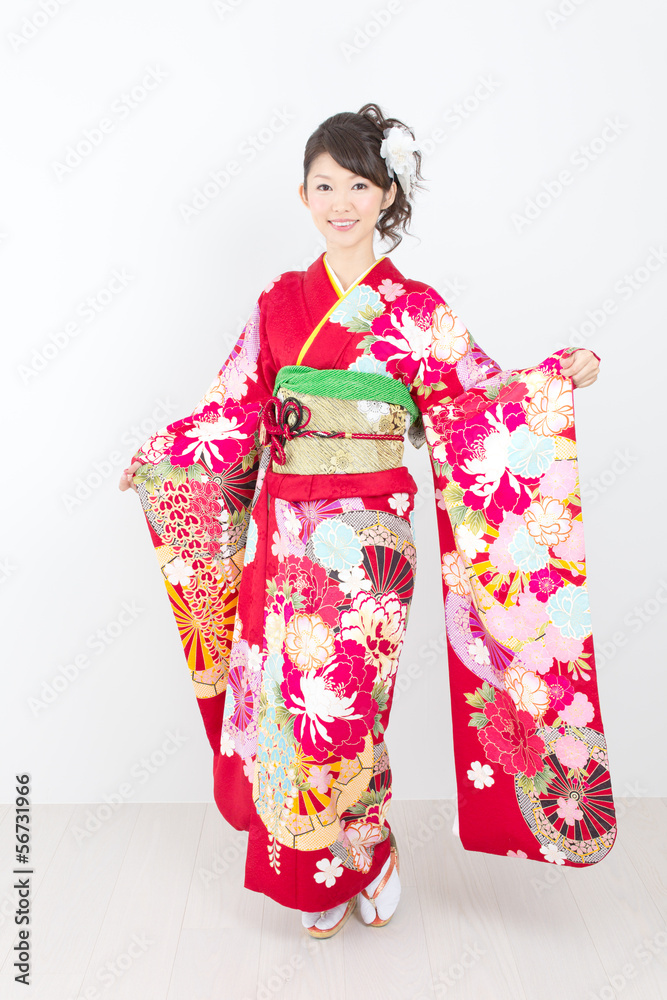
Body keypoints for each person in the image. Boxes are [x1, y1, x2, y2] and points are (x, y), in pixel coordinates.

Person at [119, 103, 613, 940]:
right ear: (302, 194)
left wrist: (549, 383)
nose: (339, 200)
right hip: (283, 532)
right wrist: (169, 460)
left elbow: (471, 400)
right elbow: (233, 408)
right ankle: (331, 869)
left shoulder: (417, 309)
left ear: (388, 194)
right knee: (292, 703)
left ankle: (366, 851)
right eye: (323, 184)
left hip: (370, 539)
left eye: (358, 184)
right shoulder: (278, 302)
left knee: (345, 702)